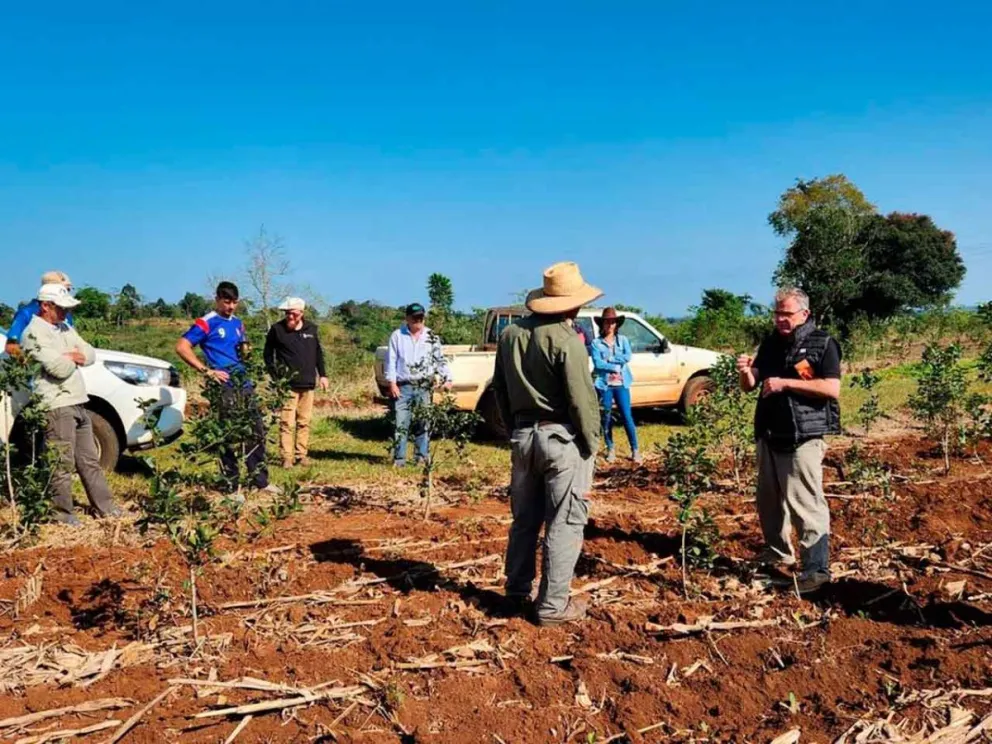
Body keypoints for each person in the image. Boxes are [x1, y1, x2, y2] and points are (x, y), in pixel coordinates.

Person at [493, 261, 602, 626]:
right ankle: (553, 606)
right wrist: (591, 444)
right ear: (571, 304)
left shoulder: (510, 336)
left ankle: (515, 592)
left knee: (524, 520)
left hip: (523, 437)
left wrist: (516, 430)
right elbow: (582, 400)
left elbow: (500, 391)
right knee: (565, 523)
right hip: (562, 439)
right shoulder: (567, 340)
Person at [737, 287, 841, 594]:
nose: (780, 319)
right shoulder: (771, 343)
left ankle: (816, 569)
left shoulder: (823, 344)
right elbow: (750, 384)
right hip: (769, 433)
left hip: (802, 436)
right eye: (777, 313)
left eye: (786, 314)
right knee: (768, 500)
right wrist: (745, 371)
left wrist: (785, 383)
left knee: (806, 503)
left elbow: (831, 388)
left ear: (804, 314)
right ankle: (777, 551)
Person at [21, 283, 121, 526]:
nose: (65, 313)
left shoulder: (64, 327)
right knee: (61, 463)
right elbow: (57, 367)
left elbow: (89, 353)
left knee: (89, 460)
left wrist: (72, 357)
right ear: (46, 306)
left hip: (78, 401)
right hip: (56, 404)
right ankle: (62, 515)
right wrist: (71, 358)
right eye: (60, 308)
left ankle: (106, 507)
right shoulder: (32, 335)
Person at [176, 281, 275, 495]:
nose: (230, 306)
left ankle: (260, 482)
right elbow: (182, 346)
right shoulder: (206, 322)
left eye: (234, 302)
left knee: (256, 431)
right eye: (226, 302)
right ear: (218, 300)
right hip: (224, 386)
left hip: (245, 384)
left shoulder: (238, 323)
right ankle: (230, 486)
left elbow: (242, 348)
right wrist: (206, 371)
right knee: (228, 435)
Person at [383, 303, 452, 467]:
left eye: (420, 318)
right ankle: (399, 459)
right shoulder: (397, 336)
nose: (418, 321)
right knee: (401, 423)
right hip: (403, 386)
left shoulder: (431, 336)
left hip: (424, 385)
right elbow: (390, 361)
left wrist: (447, 378)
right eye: (414, 318)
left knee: (424, 422)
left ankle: (421, 457)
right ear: (407, 318)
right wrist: (392, 383)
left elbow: (439, 359)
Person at [263, 296, 329, 468]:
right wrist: (276, 377)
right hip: (287, 385)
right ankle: (287, 457)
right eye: (287, 313)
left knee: (304, 421)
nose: (290, 317)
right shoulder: (277, 330)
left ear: (301, 312)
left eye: (293, 314)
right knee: (286, 422)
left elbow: (318, 353)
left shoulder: (312, 329)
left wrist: (323, 375)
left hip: (308, 384)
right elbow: (268, 355)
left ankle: (301, 455)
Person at [590, 307, 640, 464]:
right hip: (604, 385)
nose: (610, 325)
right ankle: (610, 448)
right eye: (607, 322)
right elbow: (597, 363)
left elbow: (627, 356)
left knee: (626, 416)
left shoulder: (623, 340)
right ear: (602, 324)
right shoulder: (596, 343)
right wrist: (613, 366)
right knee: (606, 417)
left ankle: (635, 449)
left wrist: (610, 360)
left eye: (613, 322)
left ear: (616, 324)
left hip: (621, 384)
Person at [5, 271, 74, 355]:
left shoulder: (66, 315)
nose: (68, 293)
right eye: (66, 290)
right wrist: (29, 361)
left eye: (68, 290)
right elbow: (11, 346)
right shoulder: (26, 313)